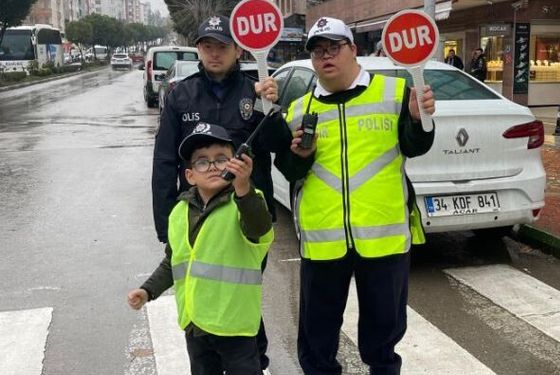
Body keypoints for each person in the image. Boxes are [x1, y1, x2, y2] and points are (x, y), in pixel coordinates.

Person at [270, 17, 436, 374]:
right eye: (317, 51)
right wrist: (298, 156)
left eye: (333, 47)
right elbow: (289, 170)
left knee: (383, 337)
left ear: (353, 50)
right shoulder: (299, 109)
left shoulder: (393, 94)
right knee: (317, 338)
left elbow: (415, 145)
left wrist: (418, 119)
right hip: (322, 239)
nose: (325, 56)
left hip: (383, 238)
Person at [152, 15, 288, 371]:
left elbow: (279, 145)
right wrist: (167, 227)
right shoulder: (181, 94)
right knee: (203, 288)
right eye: (207, 45)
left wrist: (268, 107)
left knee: (243, 293)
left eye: (222, 46)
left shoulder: (254, 88)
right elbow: (165, 162)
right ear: (198, 49)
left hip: (247, 216)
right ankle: (208, 358)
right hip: (201, 216)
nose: (214, 53)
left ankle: (253, 360)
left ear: (238, 49)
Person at [128, 123, 274, 375]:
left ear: (235, 163)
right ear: (190, 175)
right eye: (202, 162)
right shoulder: (179, 213)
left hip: (234, 326)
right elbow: (173, 261)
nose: (213, 166)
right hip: (195, 324)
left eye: (221, 159)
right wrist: (148, 290)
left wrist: (243, 188)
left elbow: (259, 227)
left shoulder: (247, 201)